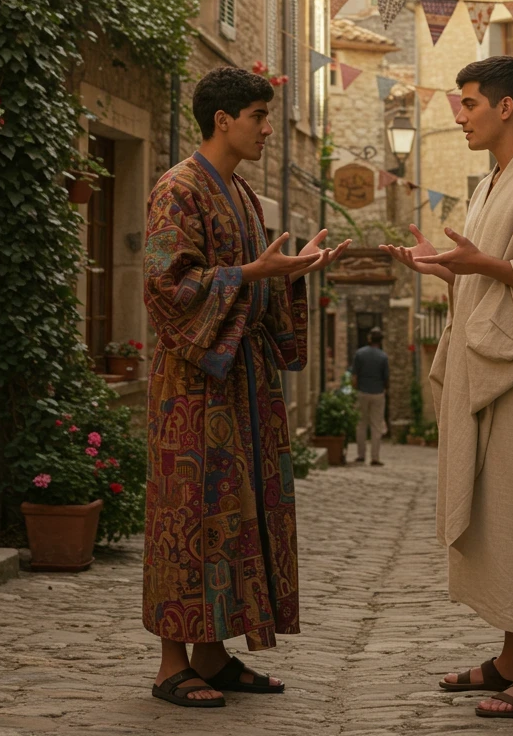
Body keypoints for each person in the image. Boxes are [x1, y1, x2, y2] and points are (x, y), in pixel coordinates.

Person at [142, 66, 349, 709]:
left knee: (237, 519)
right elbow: (167, 288)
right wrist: (255, 270)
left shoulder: (243, 194)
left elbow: (249, 277)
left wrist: (287, 274)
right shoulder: (177, 189)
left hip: (244, 389)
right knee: (191, 518)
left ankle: (214, 654)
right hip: (194, 394)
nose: (267, 128)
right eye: (260, 116)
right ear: (222, 120)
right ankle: (172, 664)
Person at [381, 56, 513, 720]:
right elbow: (496, 278)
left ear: (505, 108)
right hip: (495, 370)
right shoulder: (494, 183)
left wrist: (480, 265)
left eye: (467, 103)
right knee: (503, 517)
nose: (457, 115)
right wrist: (449, 271)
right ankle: (508, 659)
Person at [351, 327, 389, 466]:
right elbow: (386, 379)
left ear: (369, 339)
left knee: (361, 424)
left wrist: (356, 389)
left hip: (362, 392)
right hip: (378, 393)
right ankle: (375, 457)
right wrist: (384, 390)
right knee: (376, 425)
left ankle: (361, 455)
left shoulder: (360, 354)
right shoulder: (383, 357)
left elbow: (354, 377)